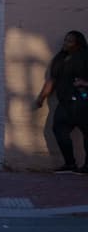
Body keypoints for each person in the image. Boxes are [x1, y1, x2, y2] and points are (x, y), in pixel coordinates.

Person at [35, 30, 88, 173]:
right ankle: (70, 163)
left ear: (78, 44)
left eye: (70, 41)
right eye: (65, 40)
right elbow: (52, 80)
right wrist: (41, 98)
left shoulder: (84, 57)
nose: (65, 43)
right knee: (58, 129)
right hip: (64, 102)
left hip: (82, 102)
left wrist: (84, 82)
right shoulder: (60, 58)